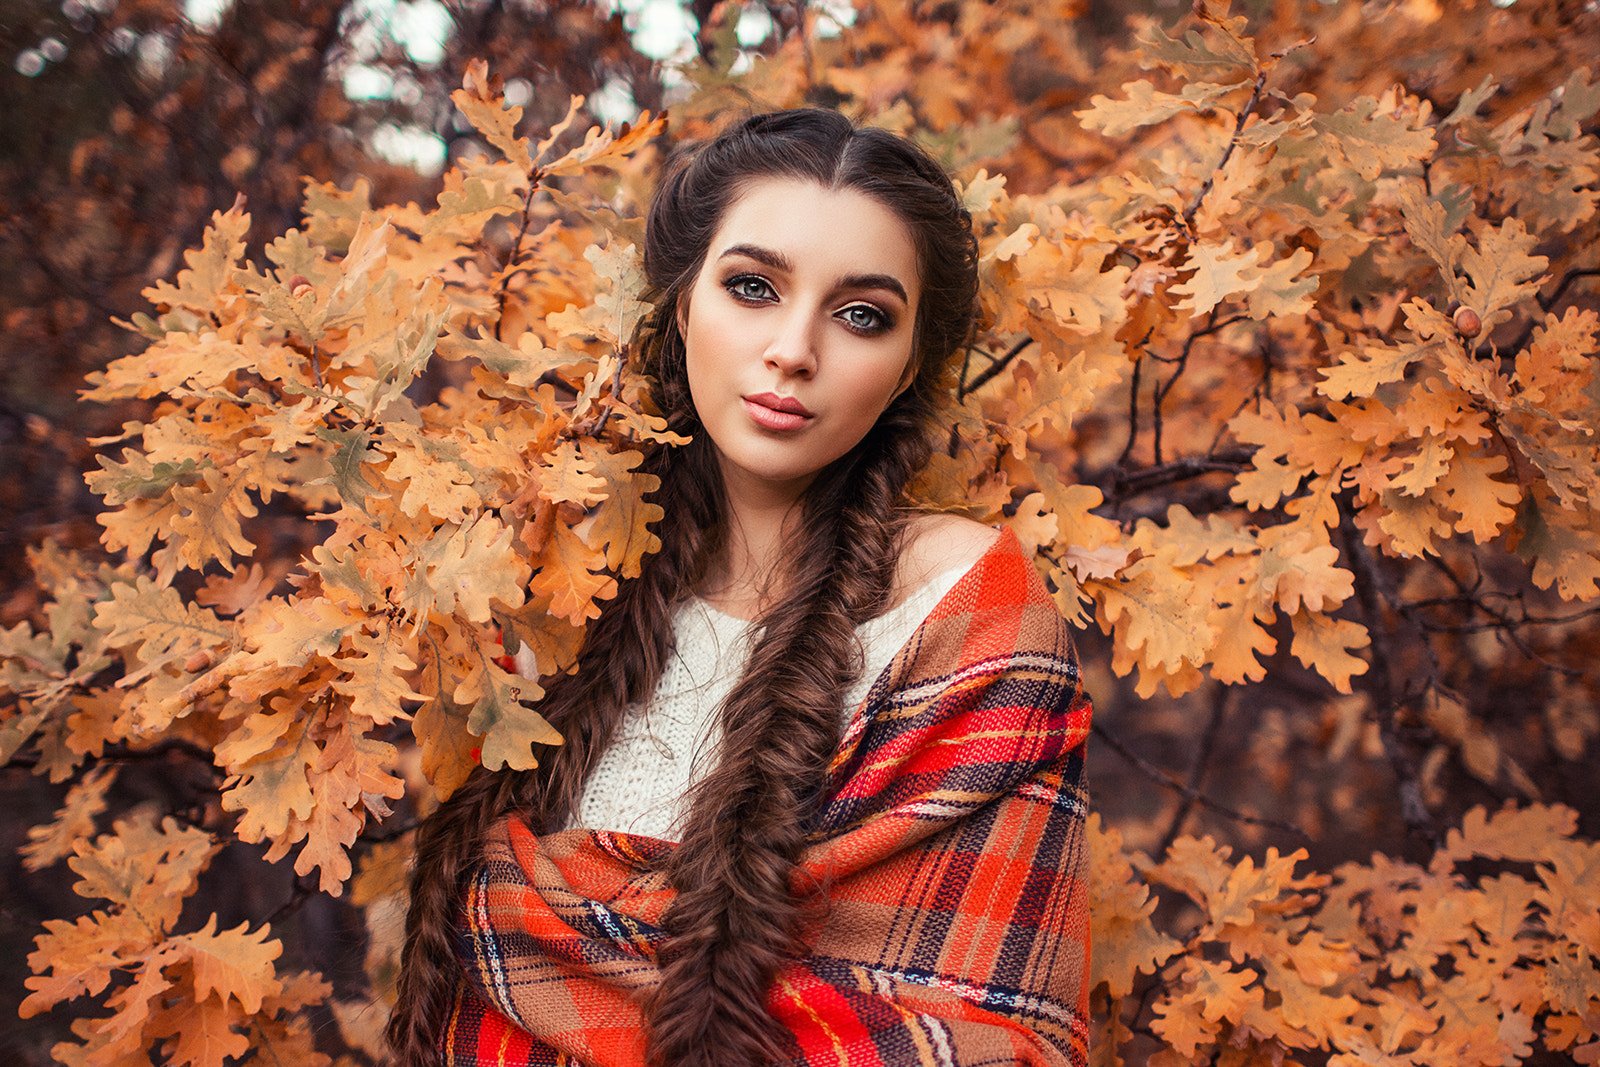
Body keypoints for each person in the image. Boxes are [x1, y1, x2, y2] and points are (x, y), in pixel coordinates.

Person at [386, 107, 1093, 1066]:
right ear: (683, 307)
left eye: (861, 315)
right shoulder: (555, 588)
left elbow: (990, 1027)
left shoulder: (967, 609)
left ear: (908, 366)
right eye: (753, 287)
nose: (794, 349)